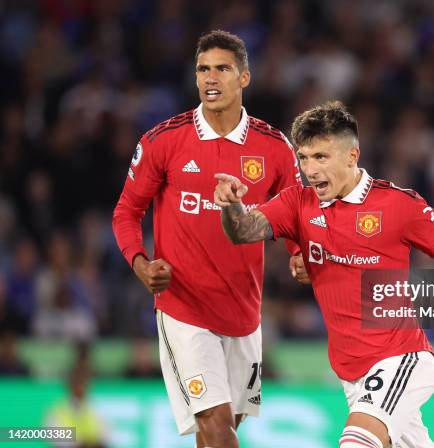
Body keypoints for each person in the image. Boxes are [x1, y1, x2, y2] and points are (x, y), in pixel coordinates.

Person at [214, 101, 434, 448]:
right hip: (351, 374)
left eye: (321, 157)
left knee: (355, 443)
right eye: (304, 158)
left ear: (352, 156)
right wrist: (230, 206)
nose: (310, 169)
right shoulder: (297, 203)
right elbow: (243, 231)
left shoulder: (397, 204)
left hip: (401, 359)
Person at [112, 30, 300, 448]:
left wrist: (299, 254)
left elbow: (298, 214)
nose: (210, 78)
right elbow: (126, 212)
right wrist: (140, 263)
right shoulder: (163, 141)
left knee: (220, 429)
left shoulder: (274, 148)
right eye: (202, 69)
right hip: (184, 306)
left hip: (243, 312)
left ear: (244, 78)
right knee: (216, 424)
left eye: (222, 68)